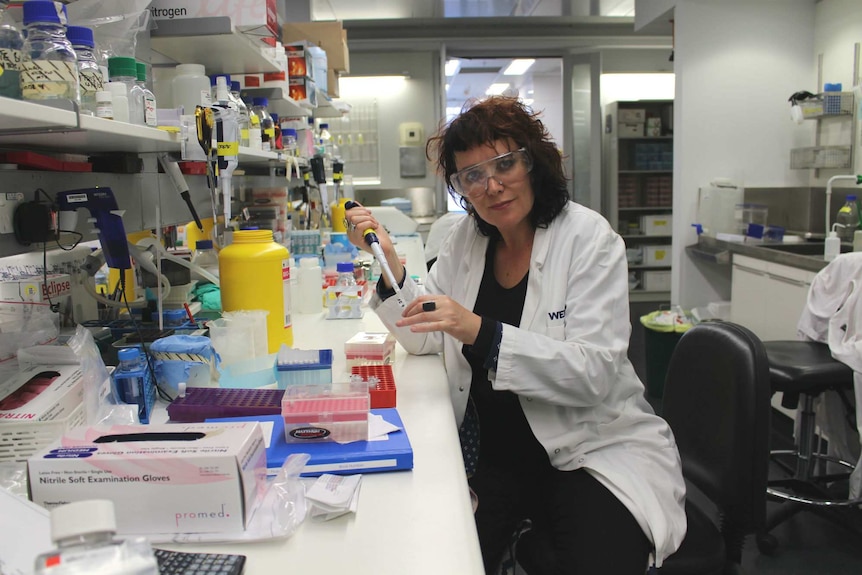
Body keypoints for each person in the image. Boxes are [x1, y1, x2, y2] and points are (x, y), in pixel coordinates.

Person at [344, 96, 686, 573]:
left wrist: (480, 332)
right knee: (444, 556)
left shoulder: (589, 239)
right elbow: (425, 334)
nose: (492, 185)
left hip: (589, 450)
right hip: (499, 454)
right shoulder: (466, 239)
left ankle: (527, 543)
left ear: (533, 160)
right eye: (473, 175)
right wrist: (390, 262)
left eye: (505, 164)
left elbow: (593, 375)